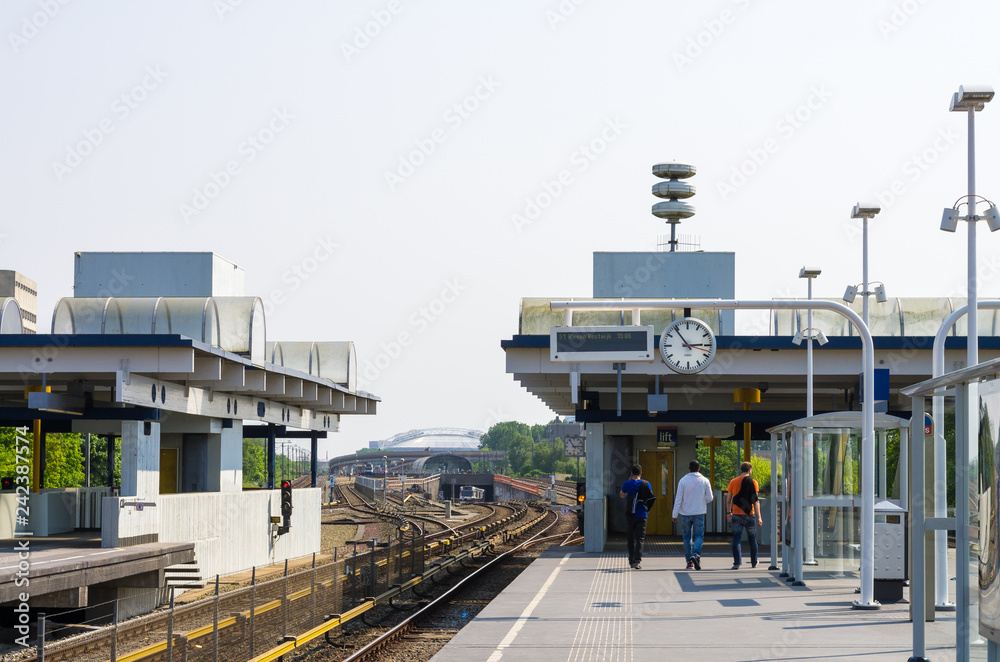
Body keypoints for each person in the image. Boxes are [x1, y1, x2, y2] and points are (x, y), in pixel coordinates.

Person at [672, 459, 713, 570]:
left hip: (685, 513)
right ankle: (696, 554)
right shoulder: (705, 480)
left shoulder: (683, 481)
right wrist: (701, 500)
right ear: (699, 468)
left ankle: (689, 561)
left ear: (689, 468)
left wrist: (674, 514)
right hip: (699, 513)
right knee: (699, 536)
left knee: (687, 537)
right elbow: (710, 498)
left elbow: (678, 498)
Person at [727, 461, 763, 569]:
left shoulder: (733, 482)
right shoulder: (754, 482)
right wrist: (759, 517)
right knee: (752, 539)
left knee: (736, 539)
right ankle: (754, 562)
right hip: (749, 515)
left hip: (736, 515)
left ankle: (737, 563)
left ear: (741, 469)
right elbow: (756, 501)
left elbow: (729, 500)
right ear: (750, 470)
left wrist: (729, 512)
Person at [619, 464, 652, 569]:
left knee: (630, 538)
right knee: (640, 538)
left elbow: (622, 495)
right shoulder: (646, 484)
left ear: (631, 473)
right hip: (642, 515)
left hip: (630, 515)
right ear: (641, 473)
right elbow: (651, 496)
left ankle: (631, 560)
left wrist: (629, 482)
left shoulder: (627, 483)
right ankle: (637, 561)